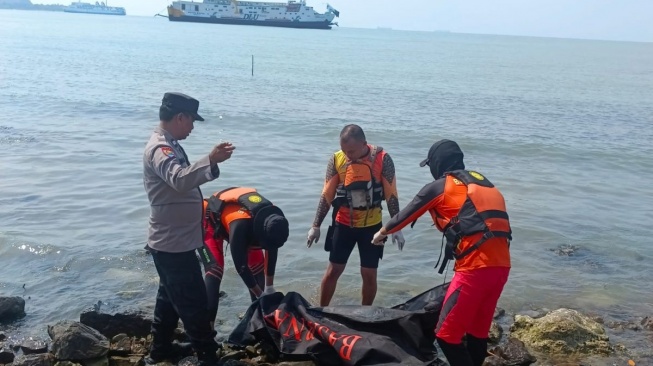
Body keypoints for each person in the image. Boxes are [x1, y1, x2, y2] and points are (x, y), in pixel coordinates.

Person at [371, 139, 512, 366]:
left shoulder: (441, 186)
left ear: (438, 162)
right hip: (501, 266)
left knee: (446, 334)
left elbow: (406, 214)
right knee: (477, 330)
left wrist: (382, 233)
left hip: (475, 269)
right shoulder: (485, 183)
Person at [142, 92, 235, 366]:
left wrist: (211, 163)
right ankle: (207, 356)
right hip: (172, 242)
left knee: (169, 297)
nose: (193, 126)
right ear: (180, 117)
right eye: (192, 120)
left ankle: (160, 349)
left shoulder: (170, 144)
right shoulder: (161, 149)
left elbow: (182, 183)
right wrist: (211, 158)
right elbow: (180, 180)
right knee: (194, 302)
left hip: (175, 239)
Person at [306, 124, 405, 306]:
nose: (347, 155)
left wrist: (396, 227)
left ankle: (365, 313)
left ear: (364, 144)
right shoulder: (337, 159)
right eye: (344, 150)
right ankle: (322, 310)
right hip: (343, 224)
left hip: (373, 228)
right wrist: (315, 226)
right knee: (333, 270)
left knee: (369, 274)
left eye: (351, 151)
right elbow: (327, 195)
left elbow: (391, 195)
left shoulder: (383, 159)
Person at [202, 187, 289, 326]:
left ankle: (258, 318)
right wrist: (261, 295)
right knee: (215, 271)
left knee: (257, 270)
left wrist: (269, 288)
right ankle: (207, 329)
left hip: (250, 223)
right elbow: (240, 266)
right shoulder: (240, 226)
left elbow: (272, 250)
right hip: (210, 220)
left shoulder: (274, 220)